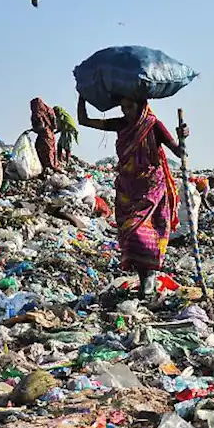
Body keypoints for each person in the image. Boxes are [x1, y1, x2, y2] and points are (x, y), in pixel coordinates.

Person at [77, 93, 187, 299]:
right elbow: (84, 121)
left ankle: (149, 277)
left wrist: (183, 137)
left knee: (142, 234)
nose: (126, 112)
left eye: (130, 107)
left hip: (151, 187)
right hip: (128, 188)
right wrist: (82, 95)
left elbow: (179, 152)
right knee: (129, 236)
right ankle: (146, 278)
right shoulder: (121, 124)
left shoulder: (154, 125)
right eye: (123, 108)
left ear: (141, 105)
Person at [30, 98, 60, 172]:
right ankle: (54, 165)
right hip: (51, 135)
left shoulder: (37, 113)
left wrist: (33, 130)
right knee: (51, 150)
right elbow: (55, 125)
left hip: (44, 135)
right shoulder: (49, 110)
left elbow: (40, 126)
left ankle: (49, 167)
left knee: (43, 150)